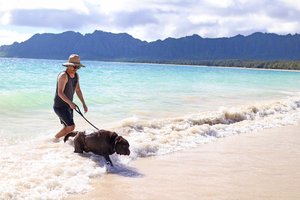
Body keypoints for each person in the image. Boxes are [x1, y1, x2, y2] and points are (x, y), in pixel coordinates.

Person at [53, 54, 88, 142]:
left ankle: (61, 143)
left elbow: (78, 90)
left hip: (69, 105)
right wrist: (70, 103)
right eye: (74, 67)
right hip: (60, 106)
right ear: (68, 65)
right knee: (71, 126)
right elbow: (60, 92)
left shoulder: (76, 76)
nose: (75, 69)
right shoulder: (63, 76)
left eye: (77, 67)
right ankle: (54, 139)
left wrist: (84, 104)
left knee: (67, 126)